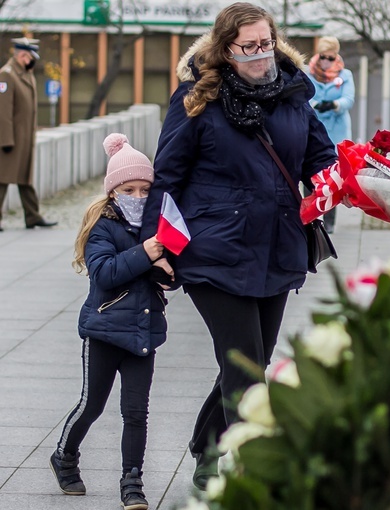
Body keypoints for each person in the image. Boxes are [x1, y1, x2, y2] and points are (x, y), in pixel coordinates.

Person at [138, 2, 337, 490]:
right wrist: (154, 243)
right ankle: (260, 474)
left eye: (266, 43)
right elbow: (168, 177)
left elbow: (322, 157)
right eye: (249, 46)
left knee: (253, 359)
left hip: (277, 247)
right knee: (243, 365)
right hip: (214, 249)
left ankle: (205, 450)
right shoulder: (196, 99)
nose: (261, 54)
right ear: (226, 49)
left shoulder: (292, 95)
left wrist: (362, 183)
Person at [50, 133, 173, 510]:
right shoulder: (102, 226)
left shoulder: (156, 227)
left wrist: (168, 272)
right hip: (104, 332)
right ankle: (65, 455)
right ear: (113, 191)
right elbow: (104, 273)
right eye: (129, 189)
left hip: (143, 332)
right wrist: (146, 252)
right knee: (92, 405)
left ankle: (131, 481)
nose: (138, 197)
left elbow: (168, 272)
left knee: (136, 411)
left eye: (144, 189)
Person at [0, 37, 58, 231]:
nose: (33, 61)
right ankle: (31, 216)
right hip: (11, 139)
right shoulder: (7, 75)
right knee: (3, 179)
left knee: (25, 179)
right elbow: (3, 111)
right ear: (23, 55)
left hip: (23, 138)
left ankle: (32, 216)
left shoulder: (24, 74)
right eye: (31, 57)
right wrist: (6, 139)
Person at [306, 35, 355, 234]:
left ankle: (330, 218)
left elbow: (348, 99)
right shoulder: (308, 73)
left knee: (333, 173)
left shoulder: (346, 75)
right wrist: (315, 105)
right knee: (309, 171)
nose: (327, 61)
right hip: (313, 126)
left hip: (336, 128)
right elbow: (303, 96)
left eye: (331, 57)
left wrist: (335, 104)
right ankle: (309, 211)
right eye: (324, 57)